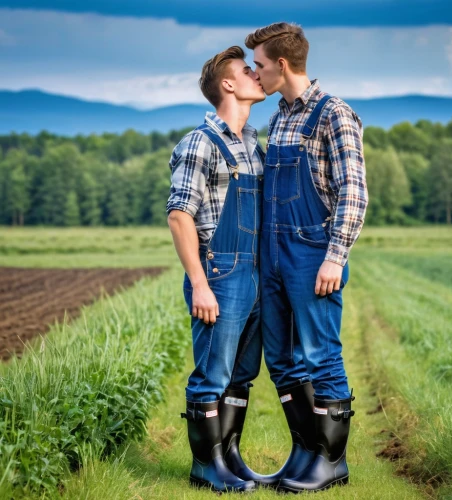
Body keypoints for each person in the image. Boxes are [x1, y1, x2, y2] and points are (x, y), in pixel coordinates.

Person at [244, 22, 368, 492]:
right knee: (280, 358)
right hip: (273, 254)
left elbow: (353, 193)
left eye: (258, 65)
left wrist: (336, 257)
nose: (255, 74)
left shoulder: (332, 113)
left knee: (321, 355)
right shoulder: (279, 117)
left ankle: (331, 462)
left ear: (281, 64)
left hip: (313, 253)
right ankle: (305, 451)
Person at [166, 46, 266, 493]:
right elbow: (179, 215)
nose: (256, 75)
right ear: (228, 85)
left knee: (241, 373)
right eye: (247, 71)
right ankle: (206, 467)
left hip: (256, 271)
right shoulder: (200, 142)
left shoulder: (251, 144)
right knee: (212, 372)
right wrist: (201, 285)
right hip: (220, 272)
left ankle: (229, 458)